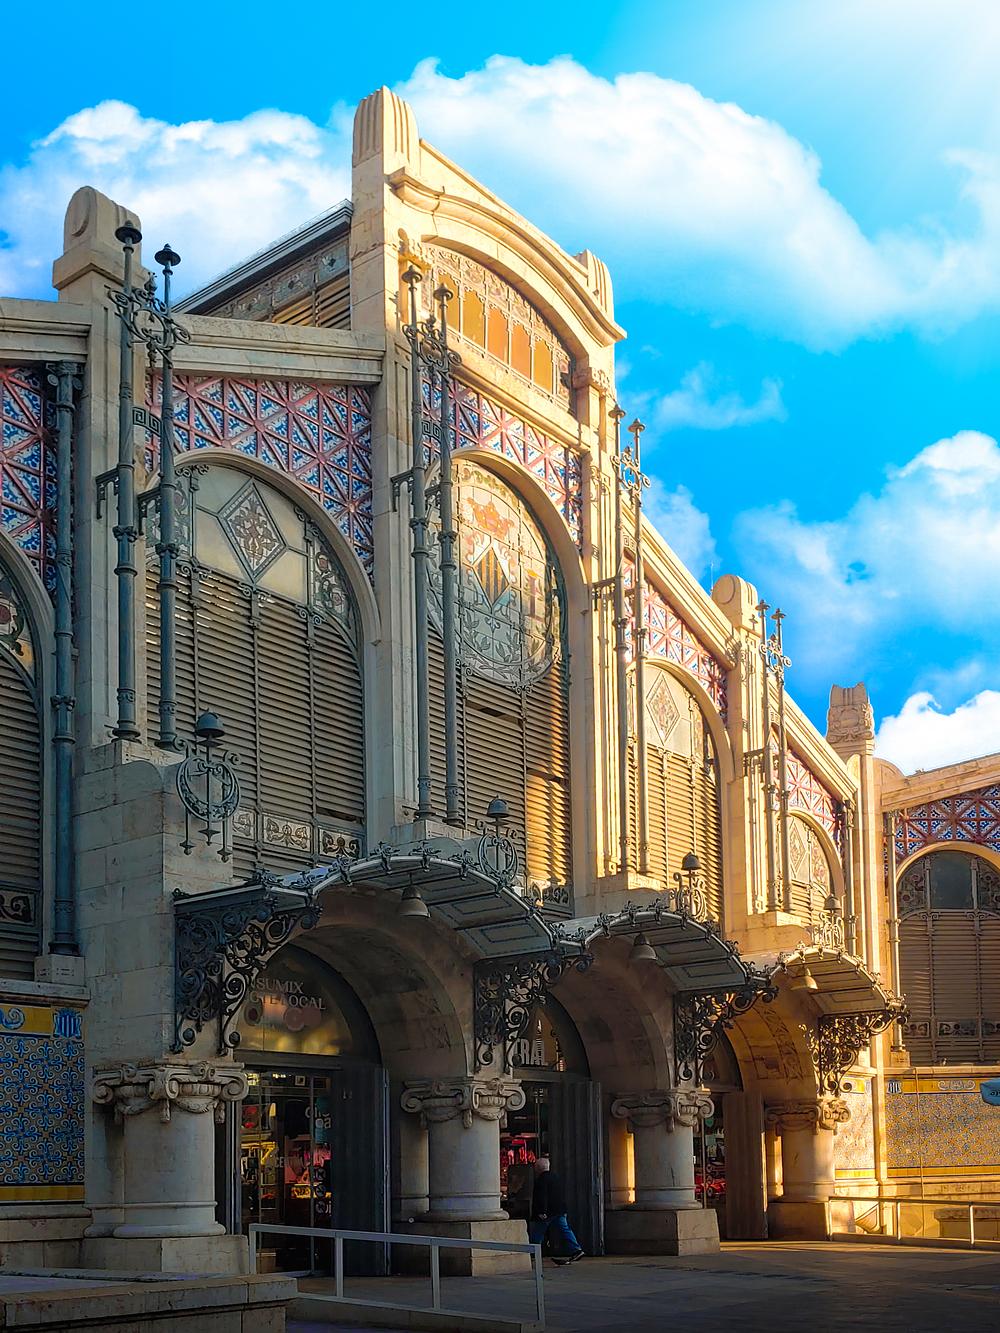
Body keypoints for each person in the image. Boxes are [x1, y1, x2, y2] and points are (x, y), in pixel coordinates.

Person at [529, 1157, 585, 1264]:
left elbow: (542, 1196)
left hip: (547, 1212)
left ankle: (533, 1252)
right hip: (559, 1210)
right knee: (565, 1229)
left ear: (538, 1168)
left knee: (537, 1233)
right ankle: (576, 1249)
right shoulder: (556, 1177)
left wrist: (542, 1211)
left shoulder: (541, 1180)